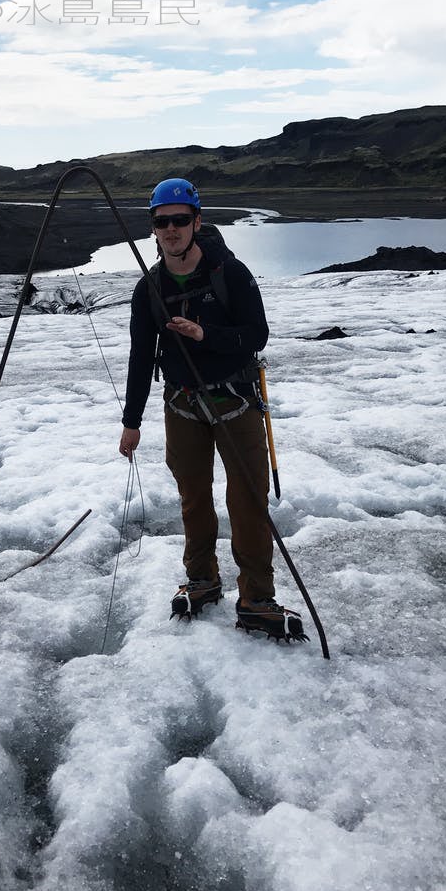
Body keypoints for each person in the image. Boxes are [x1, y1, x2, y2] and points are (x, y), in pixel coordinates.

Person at [118, 177, 305, 641]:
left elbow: (256, 335)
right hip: (182, 407)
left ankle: (257, 598)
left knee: (247, 500)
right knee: (194, 497)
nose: (172, 229)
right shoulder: (151, 290)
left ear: (197, 222)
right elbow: (141, 357)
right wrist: (131, 422)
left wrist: (207, 336)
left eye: (180, 220)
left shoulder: (230, 274)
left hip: (235, 403)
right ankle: (202, 580)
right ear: (154, 229)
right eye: (162, 222)